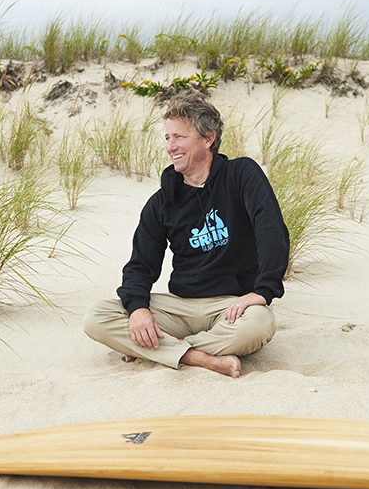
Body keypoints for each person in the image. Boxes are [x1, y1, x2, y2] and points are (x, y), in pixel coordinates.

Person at [83, 93, 290, 378]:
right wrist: (138, 309)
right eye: (167, 138)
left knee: (259, 324)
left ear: (208, 138)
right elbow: (140, 265)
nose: (170, 147)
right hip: (179, 307)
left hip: (230, 305)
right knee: (96, 317)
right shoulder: (161, 202)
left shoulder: (241, 175)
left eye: (179, 137)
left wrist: (262, 291)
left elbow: (271, 228)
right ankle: (200, 357)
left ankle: (157, 348)